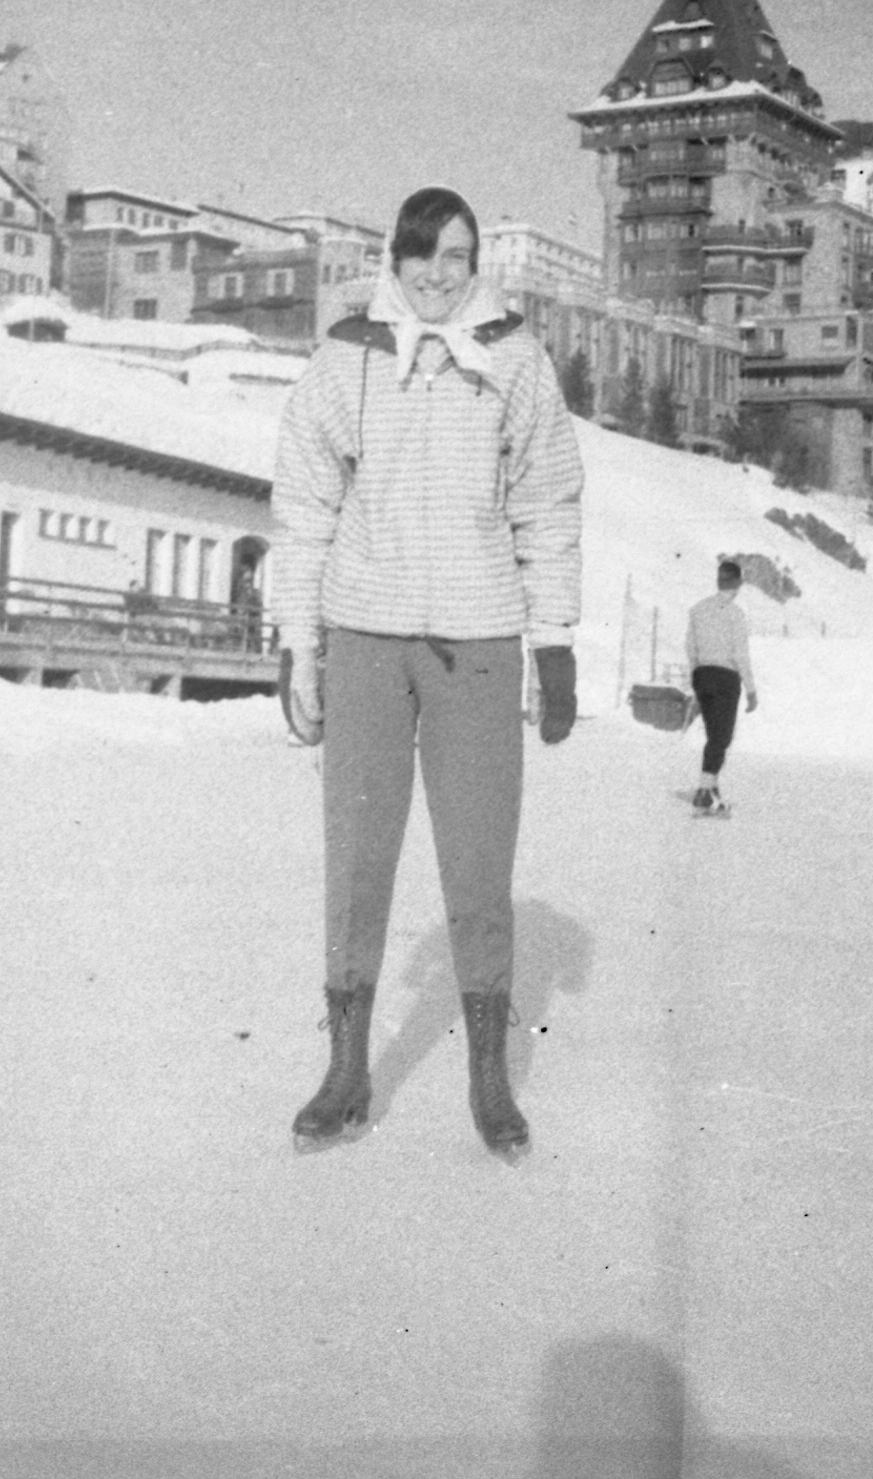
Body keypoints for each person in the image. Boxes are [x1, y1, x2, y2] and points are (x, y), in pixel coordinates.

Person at [271, 186, 584, 1156]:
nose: (438, 272)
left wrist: (556, 638)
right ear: (394, 258)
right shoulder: (347, 356)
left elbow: (549, 498)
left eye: (458, 254)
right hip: (365, 637)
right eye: (422, 253)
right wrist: (297, 640)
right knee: (357, 859)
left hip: (480, 644)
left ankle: (491, 1081)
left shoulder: (517, 360)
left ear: (477, 261)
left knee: (479, 864)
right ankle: (347, 1066)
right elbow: (305, 505)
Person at [684, 559, 757, 813]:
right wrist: (751, 689)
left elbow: (690, 648)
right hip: (726, 678)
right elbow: (740, 654)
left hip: (702, 675)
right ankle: (704, 791)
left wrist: (695, 675)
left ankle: (712, 786)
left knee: (712, 734)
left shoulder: (697, 610)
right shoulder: (736, 615)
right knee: (721, 737)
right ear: (738, 583)